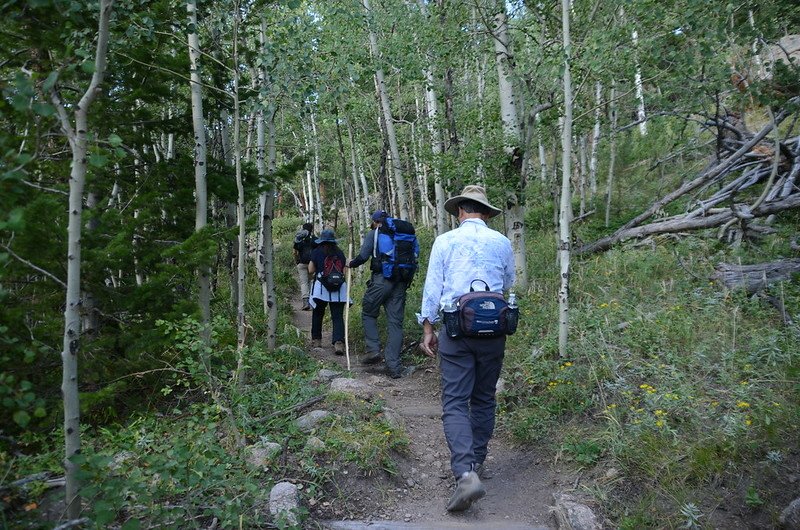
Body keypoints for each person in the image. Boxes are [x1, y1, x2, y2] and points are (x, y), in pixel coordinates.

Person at [417, 185, 515, 512]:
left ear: (460, 211)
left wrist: (428, 327)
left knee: (456, 401)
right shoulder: (501, 242)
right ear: (486, 213)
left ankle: (465, 472)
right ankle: (479, 460)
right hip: (494, 331)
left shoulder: (446, 241)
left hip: (457, 330)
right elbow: (508, 281)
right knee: (484, 397)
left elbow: (433, 289)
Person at [348, 210, 414, 378]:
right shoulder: (403, 234)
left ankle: (373, 350)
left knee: (369, 312)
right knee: (395, 323)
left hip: (381, 280)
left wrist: (351, 263)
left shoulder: (375, 233)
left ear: (375, 221)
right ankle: (394, 366)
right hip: (401, 282)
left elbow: (363, 256)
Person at [308, 229, 349, 354]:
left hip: (321, 287)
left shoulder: (317, 252)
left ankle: (317, 340)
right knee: (337, 315)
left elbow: (310, 270)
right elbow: (344, 271)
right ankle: (339, 343)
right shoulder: (340, 253)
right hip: (338, 288)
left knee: (318, 313)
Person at [293, 222, 317, 310]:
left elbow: (294, 252)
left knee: (304, 282)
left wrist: (297, 261)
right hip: (313, 264)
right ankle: (312, 302)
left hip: (302, 263)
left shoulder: (299, 240)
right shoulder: (315, 240)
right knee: (311, 281)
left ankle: (305, 302)